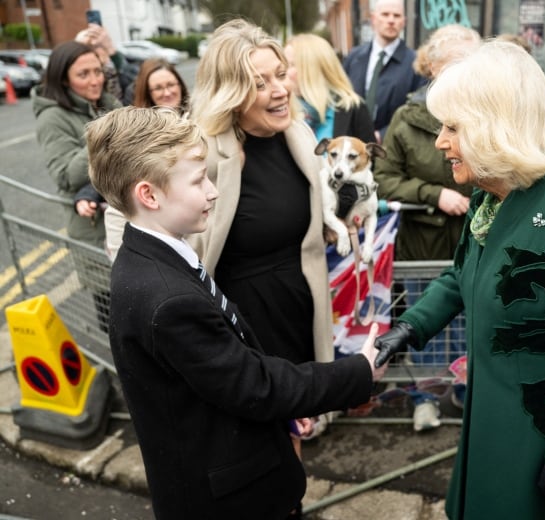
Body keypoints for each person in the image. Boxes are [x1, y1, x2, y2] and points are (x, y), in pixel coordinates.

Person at [85, 105, 386, 519]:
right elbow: (254, 385)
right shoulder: (168, 300)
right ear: (149, 195)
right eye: (198, 180)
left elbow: (226, 373)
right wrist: (358, 372)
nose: (213, 190)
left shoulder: (151, 255)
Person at [374, 41, 545, 518]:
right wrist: (409, 328)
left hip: (544, 430)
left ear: (495, 126)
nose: (440, 141)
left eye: (453, 127)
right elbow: (463, 273)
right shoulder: (494, 190)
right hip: (493, 411)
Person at [373, 24, 480, 432]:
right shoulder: (407, 117)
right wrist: (433, 194)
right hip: (425, 244)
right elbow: (383, 178)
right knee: (429, 326)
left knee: (473, 326)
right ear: (431, 66)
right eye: (457, 63)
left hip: (476, 242)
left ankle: (468, 393)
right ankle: (426, 399)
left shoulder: (486, 112)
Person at [33, 40, 123, 331]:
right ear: (63, 78)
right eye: (83, 74)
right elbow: (65, 175)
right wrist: (104, 133)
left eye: (97, 71)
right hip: (93, 231)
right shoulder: (52, 117)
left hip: (123, 220)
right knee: (113, 319)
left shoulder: (105, 102)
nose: (95, 80)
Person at [342, 0, 427, 139]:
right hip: (353, 146)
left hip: (392, 148)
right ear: (373, 19)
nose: (391, 20)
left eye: (397, 15)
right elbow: (340, 97)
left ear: (404, 22)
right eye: (385, 14)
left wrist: (383, 135)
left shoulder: (416, 63)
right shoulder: (354, 58)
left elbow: (417, 110)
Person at [283, 33, 374, 143]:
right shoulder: (284, 110)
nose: (284, 72)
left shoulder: (353, 108)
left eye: (291, 65)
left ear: (312, 69)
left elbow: (369, 157)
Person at [75, 23, 137, 105]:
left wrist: (111, 51)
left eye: (99, 46)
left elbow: (138, 85)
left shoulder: (112, 68)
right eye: (88, 48)